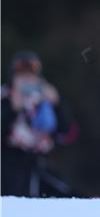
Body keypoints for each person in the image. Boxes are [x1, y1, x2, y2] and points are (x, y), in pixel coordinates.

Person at [1, 51, 78, 196]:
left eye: (31, 72)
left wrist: (57, 104)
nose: (27, 78)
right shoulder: (5, 98)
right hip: (8, 167)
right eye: (21, 73)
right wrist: (13, 109)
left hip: (40, 165)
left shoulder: (44, 101)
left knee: (67, 195)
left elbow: (67, 132)